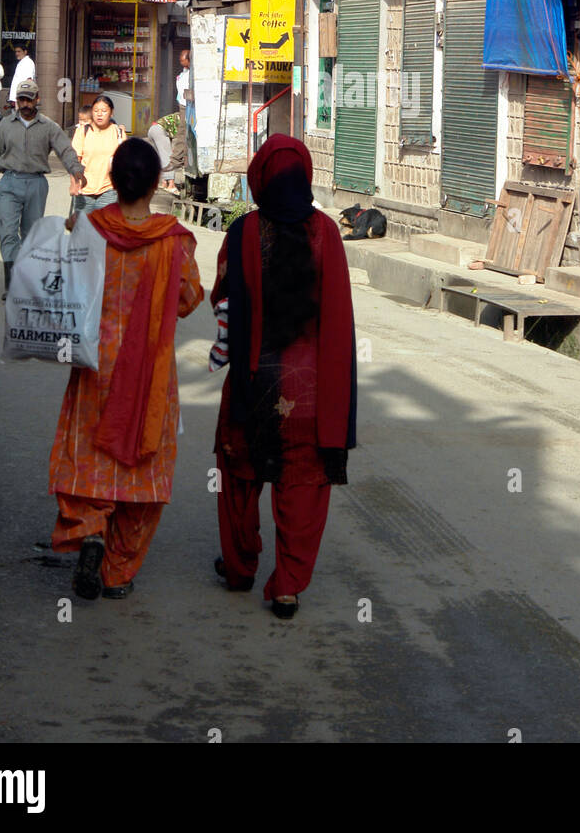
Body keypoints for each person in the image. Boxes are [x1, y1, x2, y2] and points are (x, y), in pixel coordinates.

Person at [49, 138, 204, 600]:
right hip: (149, 370)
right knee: (143, 458)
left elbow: (65, 287)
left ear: (113, 181)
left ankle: (91, 528)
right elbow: (188, 299)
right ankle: (118, 571)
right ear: (156, 184)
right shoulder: (173, 240)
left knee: (89, 453)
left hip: (96, 363)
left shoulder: (91, 229)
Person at [210, 134, 356, 619]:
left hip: (254, 384)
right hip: (309, 392)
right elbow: (339, 316)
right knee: (301, 486)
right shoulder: (327, 233)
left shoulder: (244, 231)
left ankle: (240, 566)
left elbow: (221, 297)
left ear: (260, 178)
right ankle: (288, 585)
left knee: (238, 475)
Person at [0, 79, 86, 299]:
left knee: (30, 235)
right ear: (16, 101)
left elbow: (65, 150)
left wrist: (75, 170)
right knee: (7, 234)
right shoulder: (5, 126)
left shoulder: (49, 127)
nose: (26, 104)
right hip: (9, 182)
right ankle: (13, 284)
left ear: (37, 99)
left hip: (36, 184)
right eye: (21, 100)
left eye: (29, 99)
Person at [70, 96, 126, 215]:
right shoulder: (82, 132)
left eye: (104, 111)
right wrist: (74, 183)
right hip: (84, 191)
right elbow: (74, 160)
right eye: (96, 111)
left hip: (109, 190)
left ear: (111, 113)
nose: (99, 114)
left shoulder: (118, 133)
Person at [146, 113, 181, 190]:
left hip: (152, 130)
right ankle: (171, 184)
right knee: (168, 157)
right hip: (159, 131)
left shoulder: (177, 116)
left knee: (162, 158)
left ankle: (164, 182)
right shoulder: (185, 118)